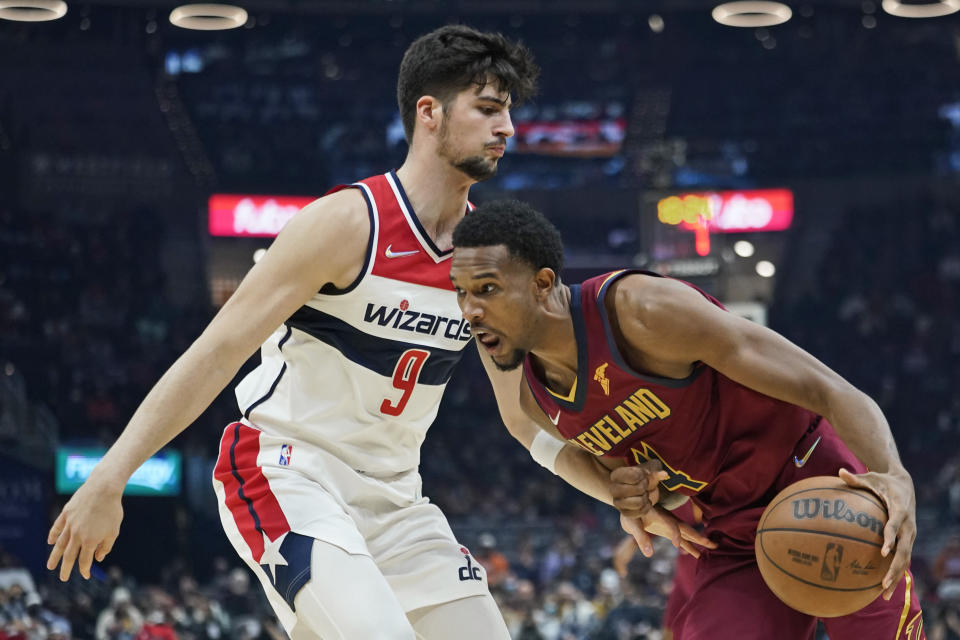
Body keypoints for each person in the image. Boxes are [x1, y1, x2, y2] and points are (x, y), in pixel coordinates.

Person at [46, 25, 540, 640]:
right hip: (289, 471)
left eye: (510, 113)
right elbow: (217, 351)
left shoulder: (485, 259)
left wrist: (622, 490)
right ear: (429, 113)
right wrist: (110, 475)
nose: (507, 129)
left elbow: (523, 417)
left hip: (397, 501)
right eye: (489, 109)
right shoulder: (346, 223)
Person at [449, 199, 926, 640]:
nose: (470, 311)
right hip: (731, 531)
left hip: (818, 483)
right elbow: (657, 478)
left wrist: (892, 475)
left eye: (487, 289)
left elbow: (828, 388)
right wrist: (635, 496)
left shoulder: (642, 313)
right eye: (461, 293)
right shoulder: (540, 402)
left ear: (542, 283)